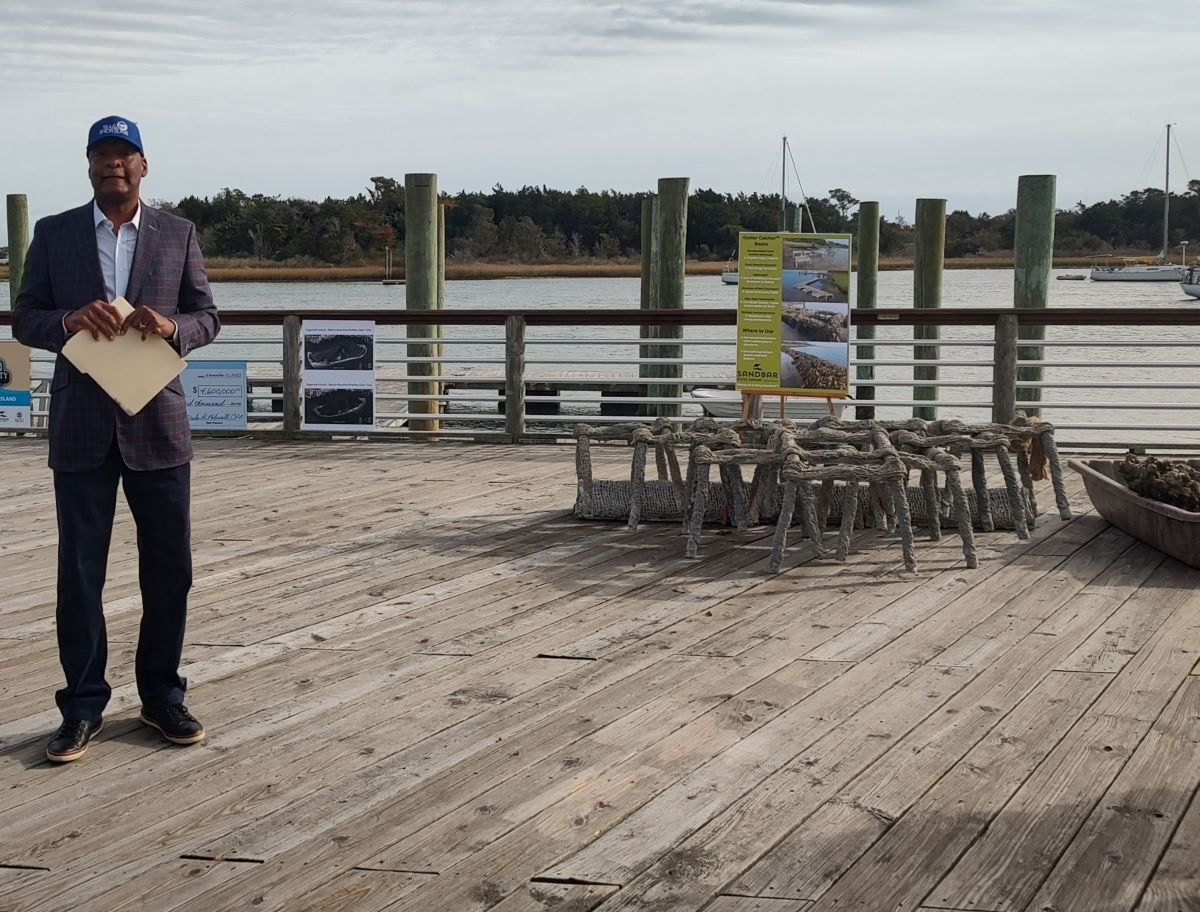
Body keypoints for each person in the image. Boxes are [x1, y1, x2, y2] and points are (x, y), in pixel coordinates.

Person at [13, 116, 220, 763]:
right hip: (81, 427)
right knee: (79, 574)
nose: (114, 166)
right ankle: (81, 706)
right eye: (102, 157)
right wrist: (69, 319)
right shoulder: (53, 234)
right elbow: (24, 317)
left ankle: (161, 695)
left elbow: (208, 316)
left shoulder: (178, 233)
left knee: (171, 571)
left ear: (144, 166)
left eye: (125, 156)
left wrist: (172, 326)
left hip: (159, 424)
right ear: (89, 167)